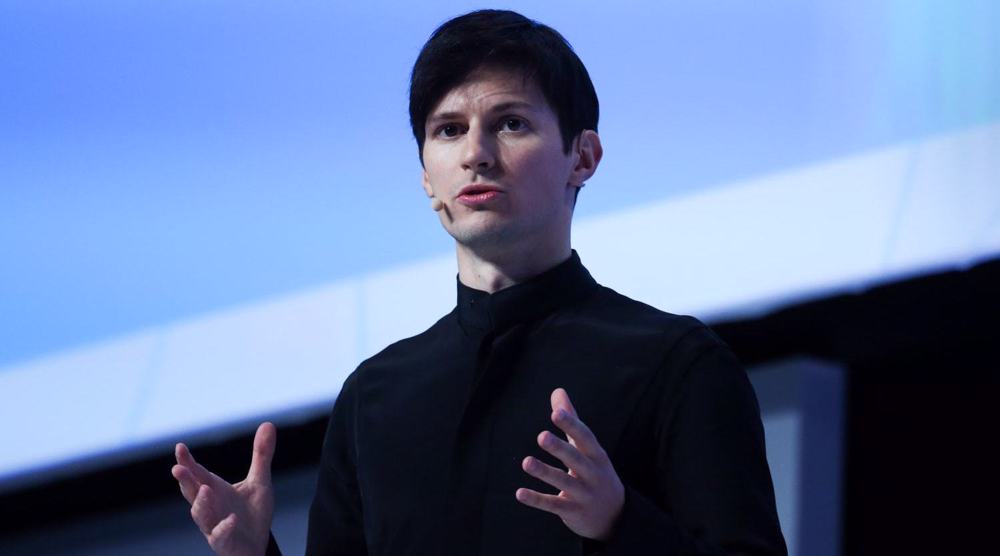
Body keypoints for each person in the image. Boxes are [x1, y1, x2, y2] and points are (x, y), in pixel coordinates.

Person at [171, 9, 787, 556]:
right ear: (426, 179)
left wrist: (621, 522)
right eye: (448, 130)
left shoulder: (675, 364)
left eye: (511, 123)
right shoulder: (374, 397)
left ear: (584, 157)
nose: (476, 154)